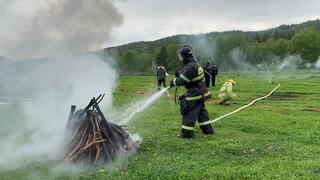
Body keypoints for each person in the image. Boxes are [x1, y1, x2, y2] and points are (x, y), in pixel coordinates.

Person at [170, 45, 214, 138]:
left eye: (181, 56)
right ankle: (208, 130)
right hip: (201, 93)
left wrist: (173, 81)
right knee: (202, 113)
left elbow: (182, 81)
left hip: (194, 94)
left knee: (189, 112)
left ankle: (187, 134)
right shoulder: (196, 64)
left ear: (186, 56)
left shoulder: (190, 67)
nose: (181, 59)